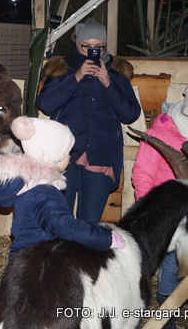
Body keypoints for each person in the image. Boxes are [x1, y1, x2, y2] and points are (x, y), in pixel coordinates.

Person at [37, 18, 141, 224]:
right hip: (64, 153)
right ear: (78, 44)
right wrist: (76, 76)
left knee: (90, 220)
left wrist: (109, 83)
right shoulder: (61, 68)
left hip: (101, 152)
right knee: (60, 217)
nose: (93, 51)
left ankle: (83, 256)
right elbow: (46, 104)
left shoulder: (117, 71)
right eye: (87, 46)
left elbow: (130, 114)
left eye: (98, 47)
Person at [131, 81, 188, 329]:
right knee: (170, 266)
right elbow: (142, 174)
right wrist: (152, 211)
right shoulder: (161, 135)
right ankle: (166, 319)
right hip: (170, 217)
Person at [0, 116, 126, 258]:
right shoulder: (43, 193)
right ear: (53, 158)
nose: (70, 157)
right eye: (66, 153)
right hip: (43, 265)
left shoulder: (27, 184)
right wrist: (107, 239)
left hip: (22, 258)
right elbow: (65, 227)